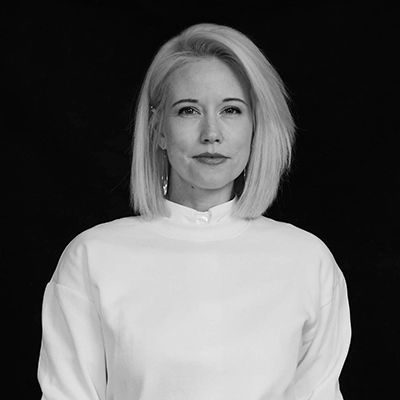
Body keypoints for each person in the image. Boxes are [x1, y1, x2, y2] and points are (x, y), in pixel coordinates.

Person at [38, 23, 351, 400]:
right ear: (158, 129)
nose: (211, 133)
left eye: (231, 110)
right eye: (188, 110)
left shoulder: (308, 261)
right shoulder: (92, 256)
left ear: (255, 127)